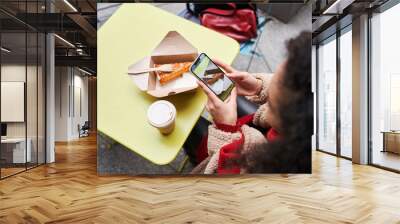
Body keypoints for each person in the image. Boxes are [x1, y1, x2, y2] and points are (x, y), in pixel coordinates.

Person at [184, 31, 312, 174]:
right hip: (257, 128)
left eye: (270, 104)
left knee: (188, 125)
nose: (274, 80)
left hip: (233, 158)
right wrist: (259, 87)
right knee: (230, 92)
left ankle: (196, 159)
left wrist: (226, 130)